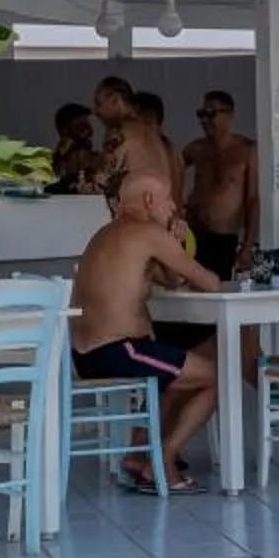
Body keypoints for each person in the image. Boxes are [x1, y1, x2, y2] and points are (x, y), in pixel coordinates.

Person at [66, 172, 222, 492]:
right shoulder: (148, 232)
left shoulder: (105, 234)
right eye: (167, 199)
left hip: (88, 355)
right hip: (118, 350)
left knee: (174, 368)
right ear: (149, 201)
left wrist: (174, 244)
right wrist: (171, 243)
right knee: (214, 378)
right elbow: (210, 283)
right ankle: (161, 461)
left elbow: (171, 280)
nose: (174, 206)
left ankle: (139, 455)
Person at [182, 89, 261, 278]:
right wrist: (179, 204)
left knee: (218, 288)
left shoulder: (247, 150)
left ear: (230, 114)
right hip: (194, 232)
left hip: (223, 237)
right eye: (201, 114)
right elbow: (170, 170)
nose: (205, 120)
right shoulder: (196, 149)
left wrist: (247, 246)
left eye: (211, 114)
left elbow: (252, 200)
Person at [48, 103, 106, 195]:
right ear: (65, 131)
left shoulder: (99, 160)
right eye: (82, 127)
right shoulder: (51, 167)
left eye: (88, 126)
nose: (90, 131)